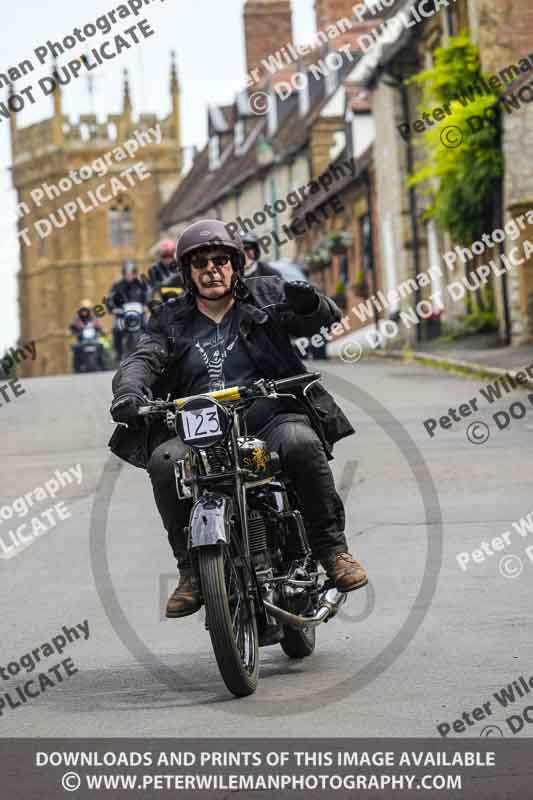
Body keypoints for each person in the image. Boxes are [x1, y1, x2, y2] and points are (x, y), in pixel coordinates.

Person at [109, 220, 368, 618]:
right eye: (200, 264)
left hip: (270, 418)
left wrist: (310, 305)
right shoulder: (170, 318)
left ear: (235, 265)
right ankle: (192, 573)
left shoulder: (265, 294)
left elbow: (321, 320)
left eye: (219, 261)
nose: (211, 270)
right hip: (201, 432)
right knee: (165, 462)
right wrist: (129, 391)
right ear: (187, 273)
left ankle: (334, 553)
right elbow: (142, 358)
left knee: (301, 443)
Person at [106, 262, 151, 362]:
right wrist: (112, 308)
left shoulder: (141, 285)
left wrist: (148, 305)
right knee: (116, 329)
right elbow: (110, 300)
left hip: (139, 315)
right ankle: (118, 352)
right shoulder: (117, 286)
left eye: (131, 273)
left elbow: (148, 297)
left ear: (135, 274)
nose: (129, 276)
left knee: (150, 328)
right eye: (127, 274)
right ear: (123, 274)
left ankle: (151, 351)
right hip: (122, 315)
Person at [69, 300, 105, 372]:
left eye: (87, 309)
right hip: (82, 340)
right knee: (76, 348)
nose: (85, 311)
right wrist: (73, 331)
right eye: (84, 309)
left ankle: (103, 364)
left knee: (102, 347)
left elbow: (99, 327)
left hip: (94, 339)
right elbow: (72, 327)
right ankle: (76, 367)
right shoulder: (77, 318)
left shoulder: (94, 318)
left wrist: (100, 330)